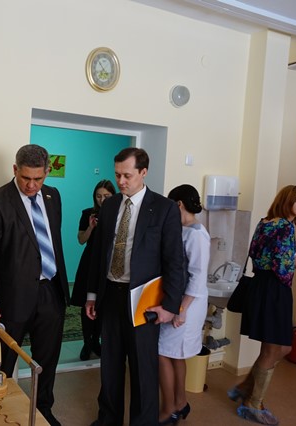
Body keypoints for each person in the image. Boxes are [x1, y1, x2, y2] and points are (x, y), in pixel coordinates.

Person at [86, 147, 185, 426]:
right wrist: (92, 294)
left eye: (127, 175)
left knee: (143, 368)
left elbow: (175, 261)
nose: (120, 181)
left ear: (143, 172)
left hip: (144, 300)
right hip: (110, 294)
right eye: (117, 174)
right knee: (110, 365)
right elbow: (98, 254)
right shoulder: (109, 206)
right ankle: (108, 419)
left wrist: (170, 306)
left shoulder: (164, 208)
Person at [0, 144, 70, 426]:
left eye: (37, 179)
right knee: (3, 364)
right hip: (12, 298)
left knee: (47, 361)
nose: (31, 185)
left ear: (47, 172)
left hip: (51, 291)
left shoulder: (53, 196)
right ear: (15, 169)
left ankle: (43, 411)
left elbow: (50, 242)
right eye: (25, 177)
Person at [228, 185, 296, 425]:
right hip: (275, 290)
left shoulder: (264, 222)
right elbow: (282, 268)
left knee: (275, 347)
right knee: (276, 349)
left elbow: (257, 254)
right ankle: (253, 404)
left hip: (259, 287)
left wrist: (287, 259)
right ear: (286, 201)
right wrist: (293, 263)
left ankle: (245, 387)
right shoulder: (286, 227)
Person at [158, 184, 211, 425]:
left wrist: (181, 310)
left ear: (178, 204)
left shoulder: (197, 234)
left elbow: (198, 275)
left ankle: (168, 408)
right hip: (177, 300)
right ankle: (180, 402)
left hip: (187, 304)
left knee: (162, 353)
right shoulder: (182, 229)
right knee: (175, 355)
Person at [70, 179, 116, 361]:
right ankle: (87, 342)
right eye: (98, 196)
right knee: (86, 303)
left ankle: (97, 340)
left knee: (103, 304)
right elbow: (81, 240)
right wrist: (90, 226)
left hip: (108, 263)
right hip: (89, 262)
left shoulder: (118, 214)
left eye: (106, 196)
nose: (102, 200)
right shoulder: (87, 213)